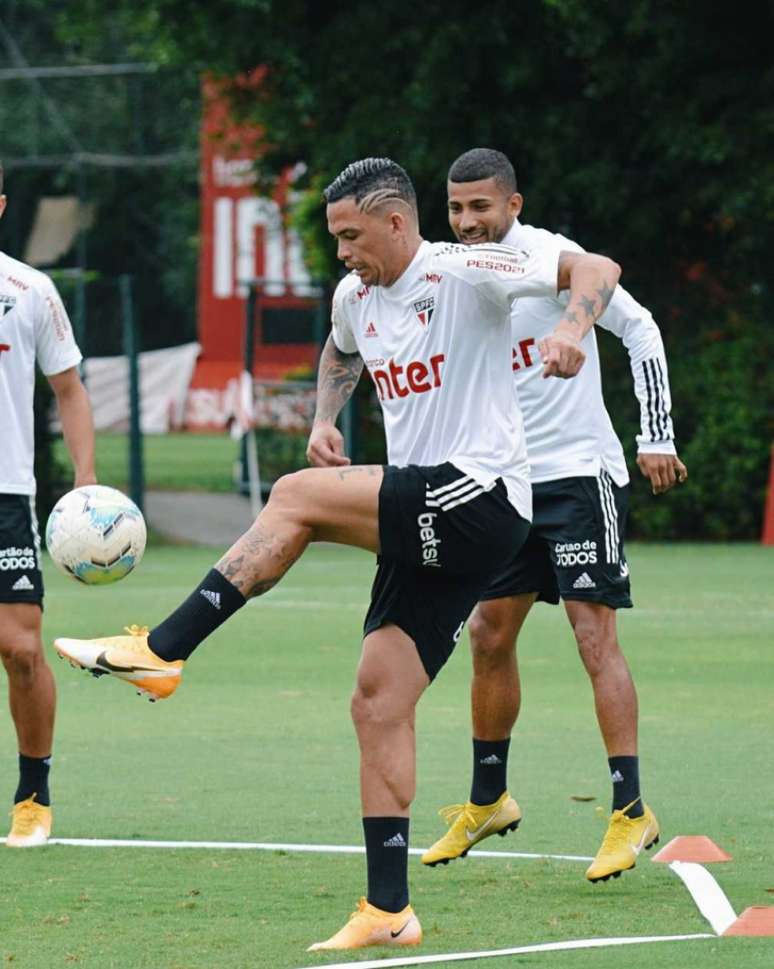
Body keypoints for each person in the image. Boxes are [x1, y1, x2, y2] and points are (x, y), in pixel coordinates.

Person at [54, 157, 620, 950]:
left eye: (353, 235)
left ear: (397, 222)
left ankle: (162, 650)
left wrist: (569, 324)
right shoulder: (356, 295)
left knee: (294, 498)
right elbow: (341, 348)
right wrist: (327, 413)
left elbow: (594, 267)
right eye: (335, 238)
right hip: (427, 510)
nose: (343, 251)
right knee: (377, 700)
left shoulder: (467, 269)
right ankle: (389, 910)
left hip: (481, 495)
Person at [421, 148, 687, 883]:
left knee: (591, 633)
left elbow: (641, 328)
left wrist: (655, 434)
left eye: (482, 207)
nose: (468, 221)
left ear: (513, 204)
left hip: (578, 474)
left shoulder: (551, 258)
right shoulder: (455, 269)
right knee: (487, 631)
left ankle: (632, 810)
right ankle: (488, 797)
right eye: (456, 208)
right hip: (508, 482)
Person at [0, 162, 97, 847]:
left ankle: (33, 792)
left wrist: (84, 482)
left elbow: (68, 387)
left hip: (7, 492)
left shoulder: (29, 288)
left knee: (20, 646)